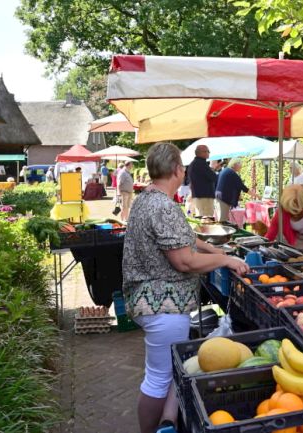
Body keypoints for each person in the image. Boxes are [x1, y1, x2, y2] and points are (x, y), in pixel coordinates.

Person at [122, 142, 249, 433]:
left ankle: (168, 424)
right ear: (178, 170)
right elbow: (184, 262)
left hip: (150, 302)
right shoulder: (163, 206)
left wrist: (213, 247)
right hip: (162, 305)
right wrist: (224, 259)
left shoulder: (147, 198)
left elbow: (186, 240)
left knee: (169, 373)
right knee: (158, 378)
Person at [214, 158, 249, 222]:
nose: (241, 167)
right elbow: (242, 187)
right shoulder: (232, 173)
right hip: (223, 199)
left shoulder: (225, 170)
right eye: (240, 165)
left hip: (218, 197)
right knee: (222, 220)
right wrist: (257, 195)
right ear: (235, 164)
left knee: (221, 219)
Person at [187, 144, 217, 217]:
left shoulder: (194, 163)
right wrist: (212, 168)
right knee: (207, 219)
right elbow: (213, 177)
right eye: (207, 151)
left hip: (199, 196)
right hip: (204, 197)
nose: (209, 153)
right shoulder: (201, 164)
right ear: (201, 152)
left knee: (202, 217)